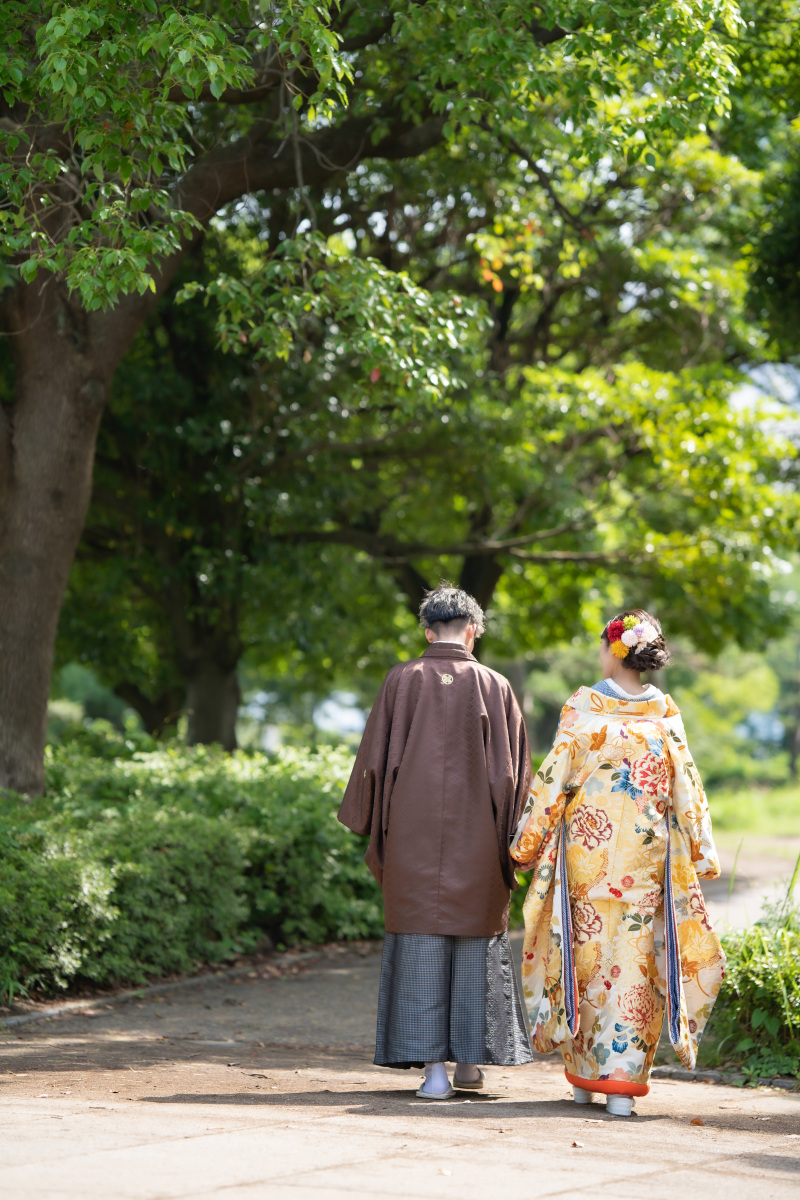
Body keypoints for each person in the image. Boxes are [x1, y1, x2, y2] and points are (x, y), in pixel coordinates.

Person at [510, 609, 724, 1117]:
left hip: (587, 855)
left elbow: (552, 782)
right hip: (645, 857)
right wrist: (700, 848)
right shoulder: (665, 715)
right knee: (633, 962)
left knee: (582, 957)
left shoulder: (584, 708)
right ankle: (619, 1086)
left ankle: (585, 1079)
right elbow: (687, 787)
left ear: (612, 649)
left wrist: (525, 845)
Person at [338, 584, 534, 1099]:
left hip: (412, 833)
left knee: (420, 945)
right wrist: (519, 837)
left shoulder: (401, 680)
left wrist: (367, 819)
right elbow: (512, 774)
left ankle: (435, 1074)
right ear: (474, 631)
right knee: (474, 942)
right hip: (478, 834)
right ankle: (469, 1063)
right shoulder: (495, 685)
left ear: (428, 632)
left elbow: (374, 761)